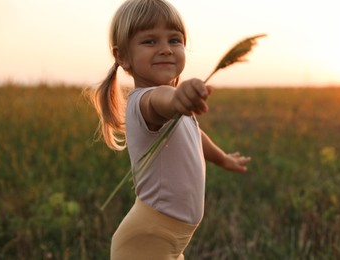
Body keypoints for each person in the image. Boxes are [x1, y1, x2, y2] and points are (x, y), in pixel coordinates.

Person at [92, 0, 251, 259]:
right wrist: (180, 97)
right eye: (150, 41)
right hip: (145, 240)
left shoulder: (175, 108)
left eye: (174, 40)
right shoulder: (144, 102)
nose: (166, 49)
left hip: (171, 239)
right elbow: (163, 100)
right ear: (122, 56)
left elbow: (195, 137)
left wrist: (222, 158)